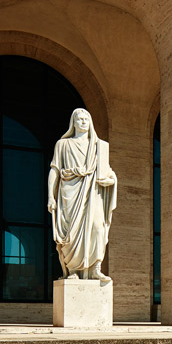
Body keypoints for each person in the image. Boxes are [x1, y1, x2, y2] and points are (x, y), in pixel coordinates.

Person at [47, 108, 116, 283]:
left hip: (93, 194)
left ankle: (95, 268)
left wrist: (112, 181)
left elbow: (108, 172)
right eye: (79, 119)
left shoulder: (98, 146)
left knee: (98, 228)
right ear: (73, 123)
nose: (83, 122)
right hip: (70, 193)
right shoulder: (62, 145)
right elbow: (54, 171)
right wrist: (50, 196)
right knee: (70, 233)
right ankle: (72, 271)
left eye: (86, 119)